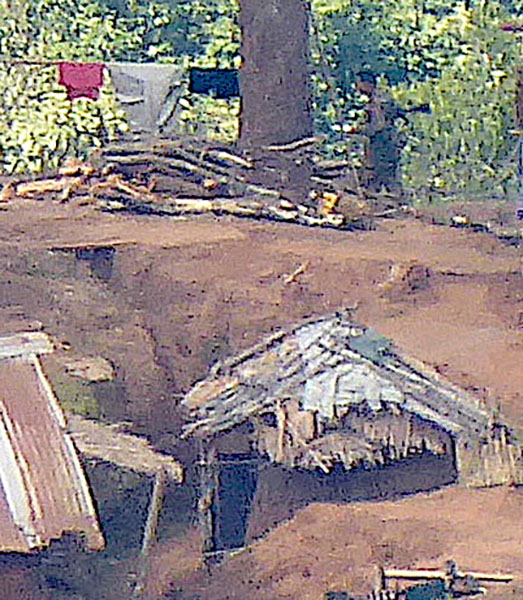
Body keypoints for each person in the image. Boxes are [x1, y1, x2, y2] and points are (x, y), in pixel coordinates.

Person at [349, 70, 407, 194]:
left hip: (382, 146)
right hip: (384, 145)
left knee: (380, 177)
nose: (357, 87)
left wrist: (359, 129)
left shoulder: (378, 102)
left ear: (367, 84)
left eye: (359, 83)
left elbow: (378, 125)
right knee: (381, 179)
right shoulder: (380, 98)